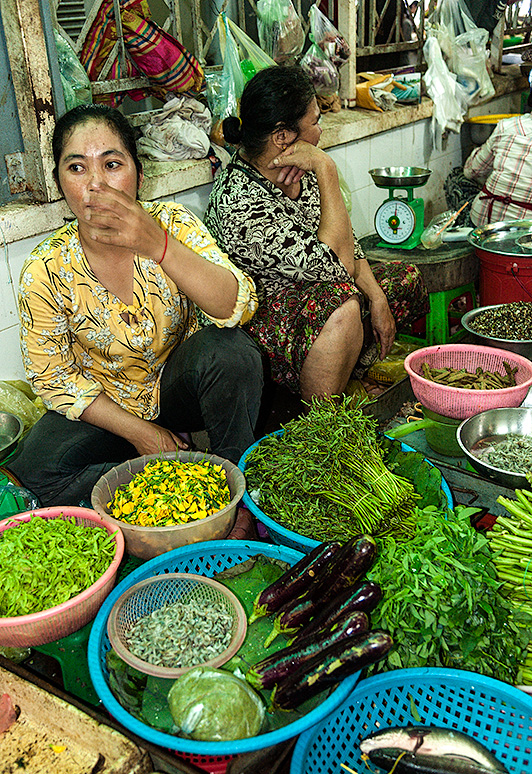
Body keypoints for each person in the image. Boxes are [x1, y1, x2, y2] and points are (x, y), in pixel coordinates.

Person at [9, 104, 263, 507]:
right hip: (109, 404)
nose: (96, 185)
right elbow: (53, 376)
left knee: (231, 352)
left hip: (179, 389)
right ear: (60, 183)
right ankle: (173, 480)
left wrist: (156, 245)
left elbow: (238, 305)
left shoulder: (173, 224)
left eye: (112, 164)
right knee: (34, 476)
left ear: (139, 175)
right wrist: (140, 433)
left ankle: (237, 490)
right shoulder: (45, 267)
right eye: (76, 168)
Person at [204, 66, 429, 401]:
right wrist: (327, 168)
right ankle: (320, 413)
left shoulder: (294, 167)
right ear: (282, 136)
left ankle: (348, 374)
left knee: (403, 279)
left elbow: (347, 241)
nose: (320, 132)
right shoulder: (240, 202)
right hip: (268, 324)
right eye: (315, 121)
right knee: (343, 304)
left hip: (323, 294)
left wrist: (379, 298)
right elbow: (339, 265)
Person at [445, 113, 532, 228]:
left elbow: (471, 170)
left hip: (483, 224)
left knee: (456, 177)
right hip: (524, 233)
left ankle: (462, 231)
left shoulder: (508, 126)